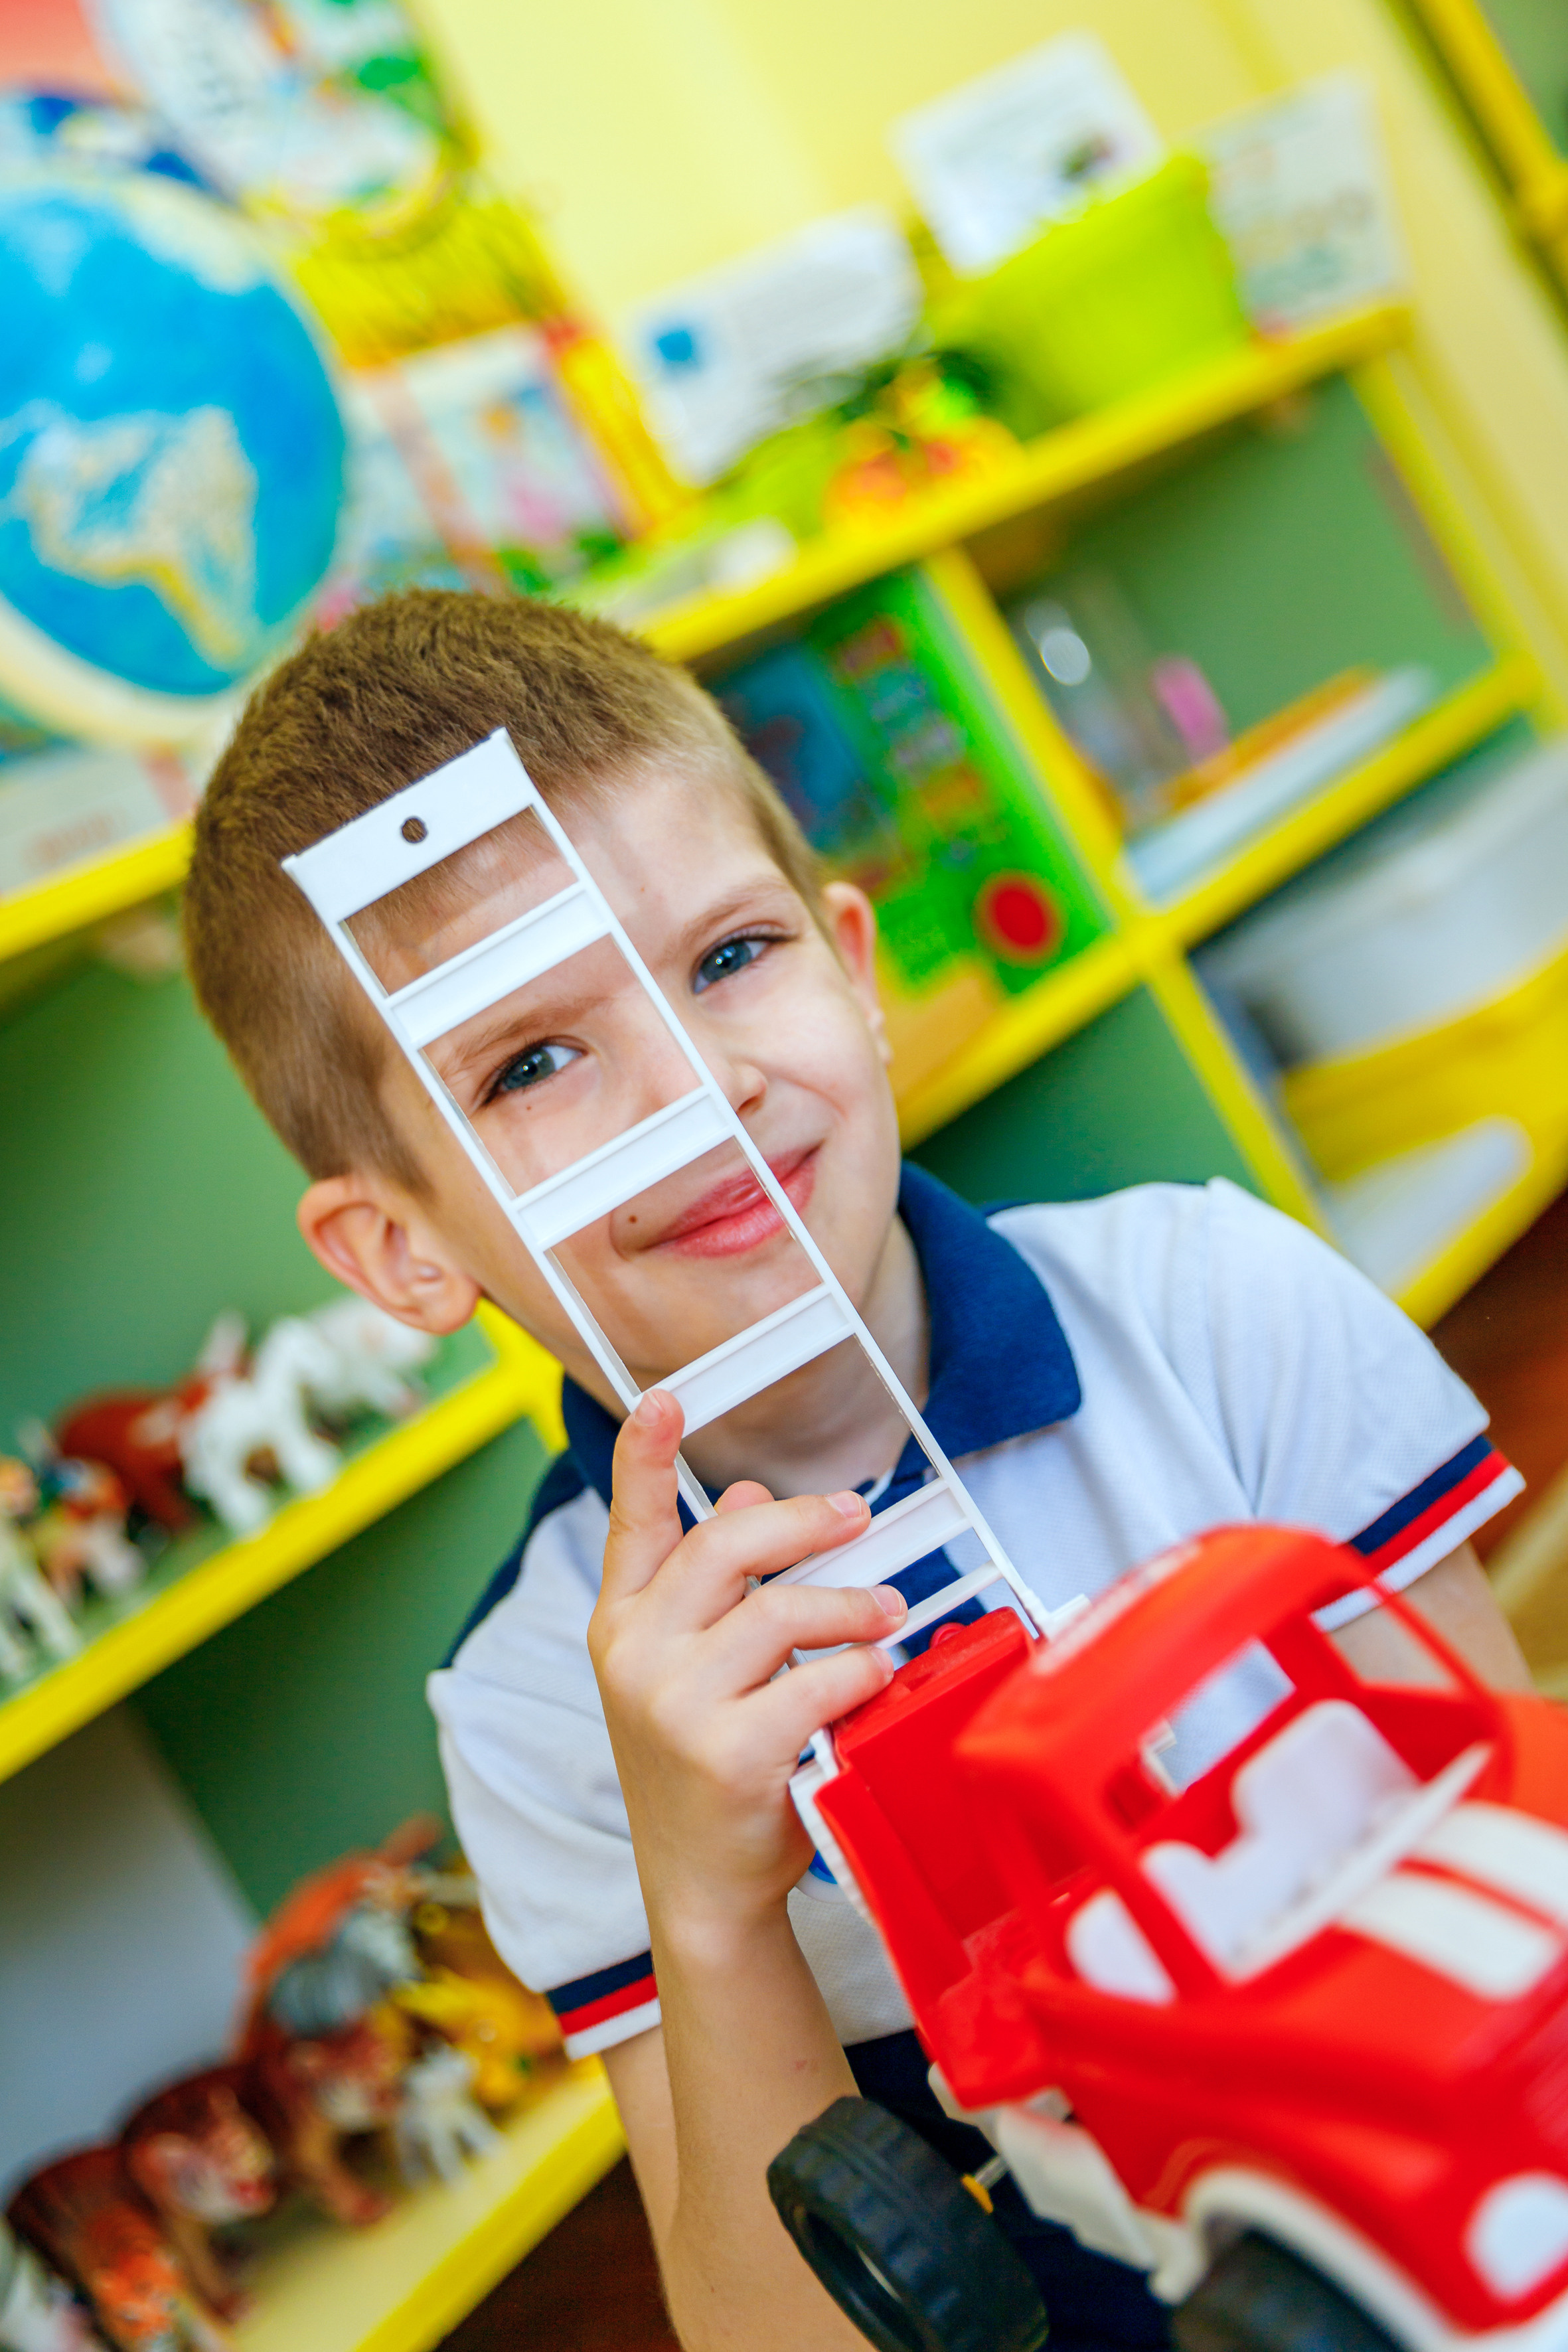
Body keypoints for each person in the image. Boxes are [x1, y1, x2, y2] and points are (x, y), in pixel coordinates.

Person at [185, 589, 1531, 2352]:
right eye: (534, 1061)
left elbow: (1521, 1896)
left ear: (855, 967)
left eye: (728, 958)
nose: (703, 1087)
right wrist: (709, 1900)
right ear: (402, 1256)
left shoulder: (1220, 1306)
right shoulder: (540, 1708)